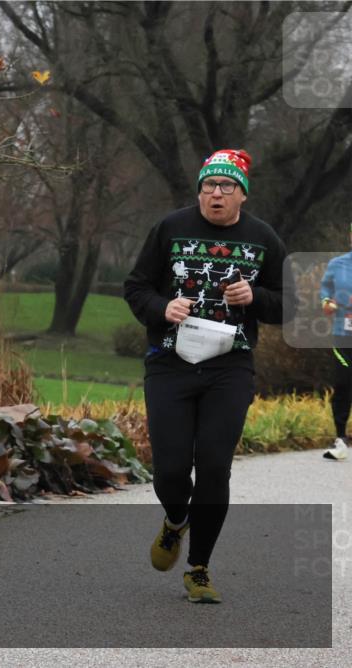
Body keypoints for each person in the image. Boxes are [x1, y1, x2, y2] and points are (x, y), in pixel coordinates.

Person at [124, 149, 288, 604]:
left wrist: (254, 297)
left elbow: (286, 303)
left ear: (242, 195)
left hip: (229, 367)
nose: (216, 194)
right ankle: (176, 518)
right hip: (170, 362)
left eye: (226, 187)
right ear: (199, 191)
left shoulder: (263, 239)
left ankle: (199, 568)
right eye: (208, 186)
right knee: (170, 470)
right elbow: (135, 287)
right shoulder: (170, 229)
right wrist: (163, 307)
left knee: (215, 467)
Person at [320, 225, 352, 461]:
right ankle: (341, 439)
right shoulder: (338, 264)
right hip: (344, 333)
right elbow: (325, 290)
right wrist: (325, 302)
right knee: (343, 382)